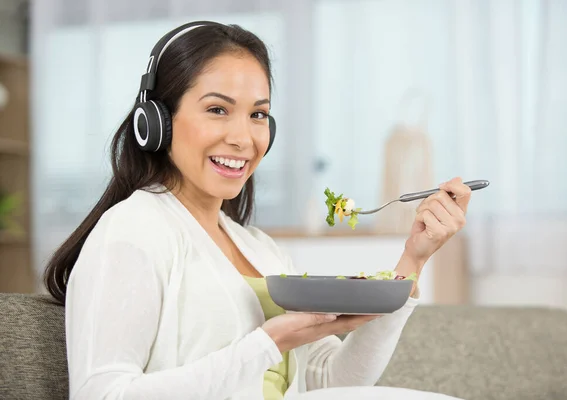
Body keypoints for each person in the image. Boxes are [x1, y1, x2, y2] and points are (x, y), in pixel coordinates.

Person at [43, 21, 472, 400]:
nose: (243, 137)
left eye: (258, 115)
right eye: (217, 110)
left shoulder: (262, 249)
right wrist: (268, 343)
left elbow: (329, 382)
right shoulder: (132, 231)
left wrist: (414, 258)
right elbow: (101, 394)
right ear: (157, 122)